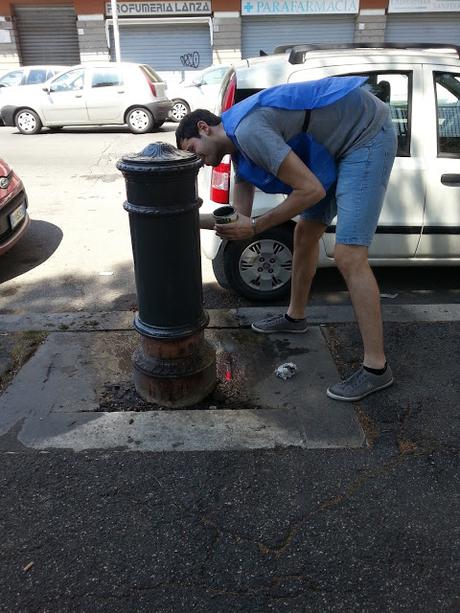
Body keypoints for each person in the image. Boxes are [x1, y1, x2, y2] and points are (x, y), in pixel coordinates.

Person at [176, 76, 397, 402]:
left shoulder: (249, 132)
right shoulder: (238, 149)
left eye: (192, 149)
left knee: (349, 254)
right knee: (304, 233)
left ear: (205, 128)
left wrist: (255, 227)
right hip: (336, 146)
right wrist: (181, 218)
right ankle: (295, 318)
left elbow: (310, 190)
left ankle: (377, 369)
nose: (196, 160)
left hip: (365, 135)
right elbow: (239, 216)